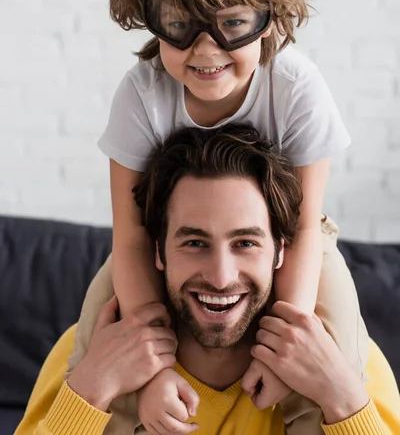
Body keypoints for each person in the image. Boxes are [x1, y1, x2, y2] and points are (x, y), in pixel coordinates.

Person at [71, 0, 369, 434]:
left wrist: (282, 350)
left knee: (333, 332)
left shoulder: (297, 88)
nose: (206, 50)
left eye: (232, 24)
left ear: (268, 19)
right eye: (181, 24)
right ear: (152, 15)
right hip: (159, 236)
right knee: (102, 319)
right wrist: (155, 368)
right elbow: (133, 236)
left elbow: (302, 227)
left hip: (293, 235)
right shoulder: (142, 93)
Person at [15, 125, 400, 435]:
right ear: (158, 252)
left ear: (282, 252)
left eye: (245, 242)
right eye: (195, 242)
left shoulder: (343, 363)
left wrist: (344, 400)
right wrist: (92, 388)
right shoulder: (91, 354)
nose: (220, 276)